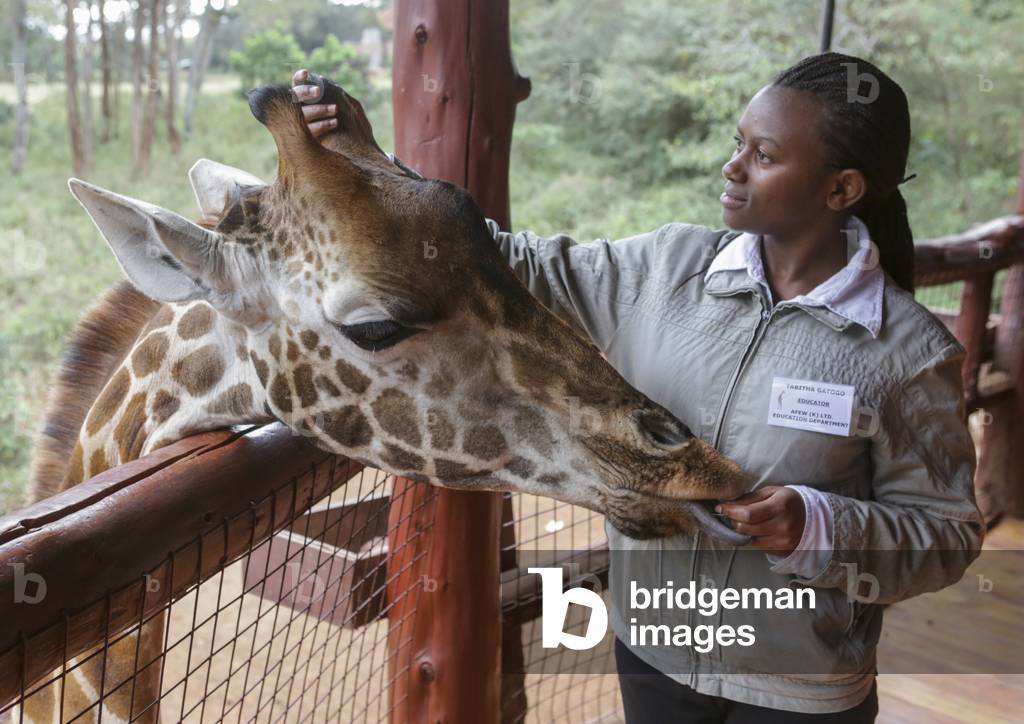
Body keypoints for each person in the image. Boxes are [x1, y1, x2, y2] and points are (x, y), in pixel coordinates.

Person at [293, 52, 984, 723]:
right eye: (737, 143)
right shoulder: (666, 268)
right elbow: (506, 258)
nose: (732, 166)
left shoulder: (908, 354)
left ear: (842, 190)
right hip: (652, 654)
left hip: (799, 692)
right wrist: (371, 164)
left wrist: (817, 526)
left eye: (764, 156)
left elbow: (945, 536)